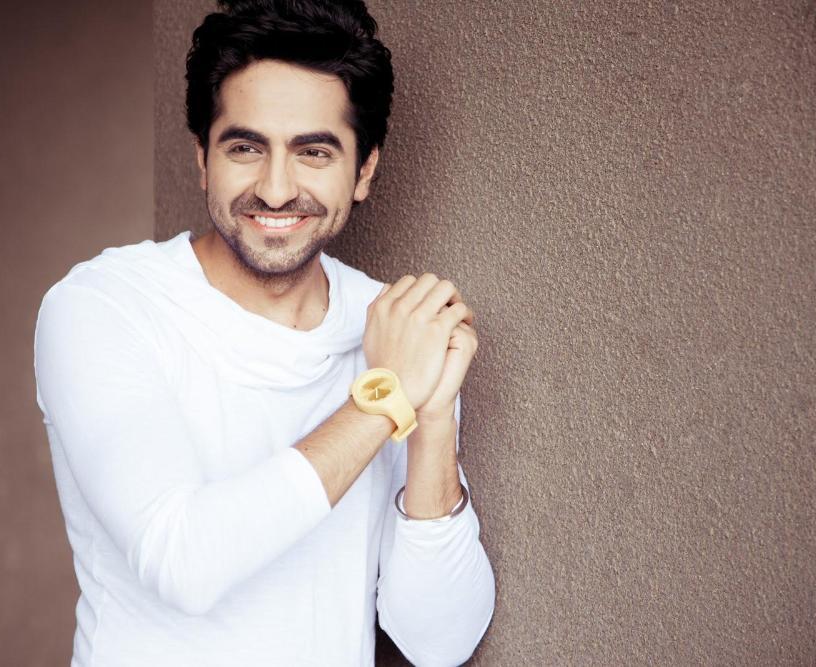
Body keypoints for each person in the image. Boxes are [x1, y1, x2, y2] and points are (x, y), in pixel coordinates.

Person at [32, 1, 495, 665]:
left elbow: (438, 643)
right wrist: (384, 398)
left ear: (364, 171)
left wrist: (433, 417)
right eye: (246, 148)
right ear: (202, 157)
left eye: (314, 152)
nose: (276, 189)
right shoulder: (104, 307)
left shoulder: (393, 332)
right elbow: (185, 561)